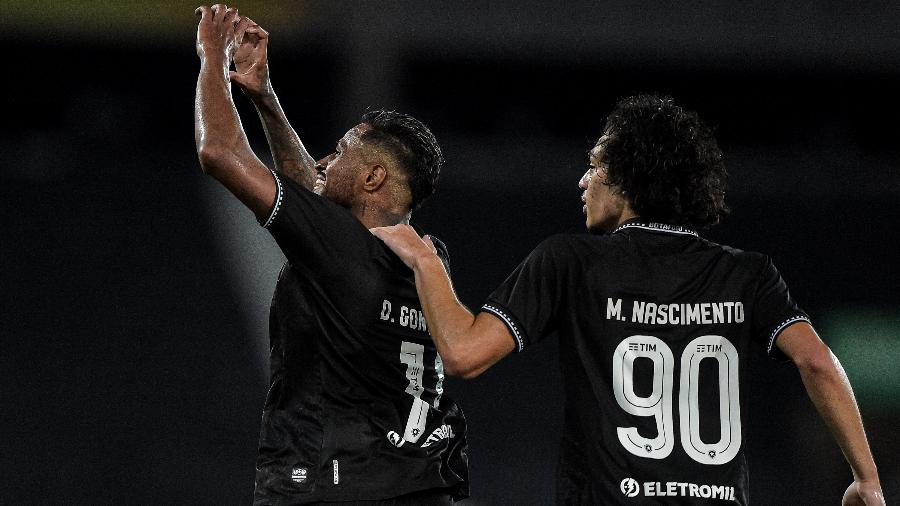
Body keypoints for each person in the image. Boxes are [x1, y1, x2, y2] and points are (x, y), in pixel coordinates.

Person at [372, 94, 885, 505]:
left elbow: (463, 354)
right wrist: (867, 480)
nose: (583, 180)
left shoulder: (570, 261)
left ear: (626, 179)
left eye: (595, 165)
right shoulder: (747, 273)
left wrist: (426, 263)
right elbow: (817, 361)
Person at [193, 5, 468, 505]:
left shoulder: (342, 248)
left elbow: (219, 151)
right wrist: (266, 99)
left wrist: (211, 57)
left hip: (333, 483)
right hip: (422, 483)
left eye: (340, 151)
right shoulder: (429, 260)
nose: (324, 160)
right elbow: (315, 200)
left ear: (373, 178)